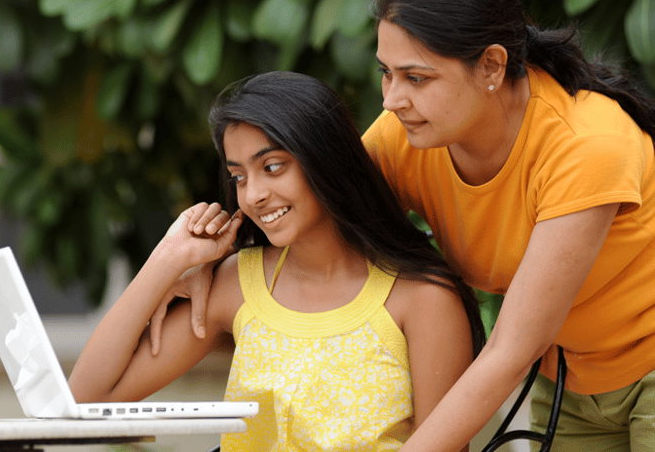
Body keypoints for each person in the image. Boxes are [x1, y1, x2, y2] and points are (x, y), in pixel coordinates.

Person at [150, 0, 655, 450]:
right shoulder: (411, 137)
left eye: (416, 78)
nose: (391, 100)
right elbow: (316, 209)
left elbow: (508, 352)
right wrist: (207, 259)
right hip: (572, 379)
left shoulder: (586, 147)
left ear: (492, 66)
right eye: (386, 74)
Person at [69, 71, 485, 451]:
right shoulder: (238, 284)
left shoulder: (422, 298)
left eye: (272, 167)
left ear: (325, 159)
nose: (253, 195)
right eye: (239, 176)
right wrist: (167, 260)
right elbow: (83, 402)